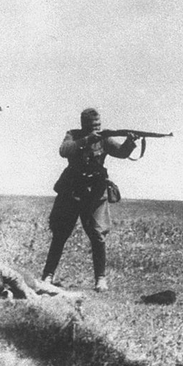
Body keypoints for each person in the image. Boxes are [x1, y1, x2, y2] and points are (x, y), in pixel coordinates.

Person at [40, 108, 138, 292]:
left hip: (95, 192)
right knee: (60, 234)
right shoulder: (73, 135)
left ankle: (100, 279)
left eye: (98, 126)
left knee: (98, 235)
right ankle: (48, 276)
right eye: (93, 126)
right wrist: (85, 140)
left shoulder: (105, 139)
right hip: (71, 190)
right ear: (84, 125)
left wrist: (130, 141)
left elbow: (122, 152)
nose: (97, 129)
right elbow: (64, 150)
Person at [0, 261, 79, 299]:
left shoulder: (2, 271)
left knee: (34, 286)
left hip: (16, 277)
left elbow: (18, 280)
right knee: (14, 297)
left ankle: (65, 294)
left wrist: (30, 295)